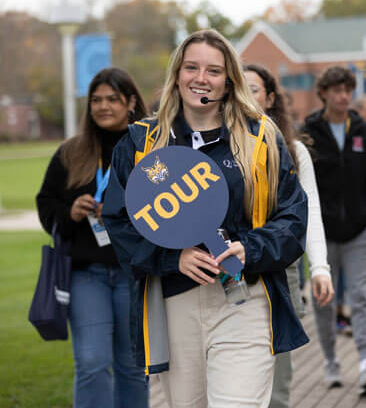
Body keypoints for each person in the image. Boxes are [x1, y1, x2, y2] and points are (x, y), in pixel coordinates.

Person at [102, 29, 308, 408]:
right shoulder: (141, 143)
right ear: (177, 75)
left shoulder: (261, 138)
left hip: (244, 300)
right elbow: (118, 223)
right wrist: (171, 258)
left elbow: (293, 219)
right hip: (174, 301)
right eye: (191, 67)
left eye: (213, 71)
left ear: (229, 82)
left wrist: (249, 248)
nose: (201, 78)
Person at [36, 67, 149, 408]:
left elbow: (169, 210)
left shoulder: (150, 149)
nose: (102, 106)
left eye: (112, 99)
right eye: (96, 100)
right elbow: (46, 202)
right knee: (92, 362)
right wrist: (69, 211)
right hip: (87, 275)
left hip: (134, 273)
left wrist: (123, 211)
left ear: (131, 102)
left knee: (132, 367)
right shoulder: (72, 152)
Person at [244, 63, 334, 408]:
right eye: (240, 87)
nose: (246, 95)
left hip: (282, 271)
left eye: (253, 88)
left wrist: (320, 268)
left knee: (277, 365)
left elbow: (309, 212)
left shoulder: (293, 151)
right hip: (229, 270)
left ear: (269, 98)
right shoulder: (214, 149)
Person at [302, 66, 366, 397]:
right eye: (336, 89)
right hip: (322, 232)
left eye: (348, 89)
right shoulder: (308, 131)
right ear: (323, 93)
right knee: (325, 299)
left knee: (362, 296)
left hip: (360, 230)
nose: (343, 95)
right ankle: (331, 360)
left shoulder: (365, 129)